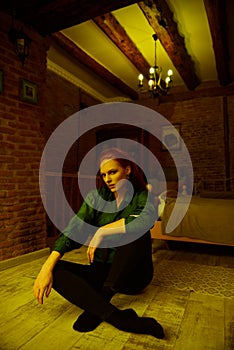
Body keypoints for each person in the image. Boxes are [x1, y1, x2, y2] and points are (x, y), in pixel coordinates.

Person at [33, 147, 164, 339]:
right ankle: (116, 316)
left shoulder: (141, 196)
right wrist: (46, 266)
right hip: (103, 270)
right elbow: (74, 229)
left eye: (113, 172)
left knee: (137, 232)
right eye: (104, 174)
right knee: (56, 271)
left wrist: (102, 231)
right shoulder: (97, 197)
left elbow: (145, 220)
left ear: (127, 170)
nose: (107, 179)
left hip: (133, 276)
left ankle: (103, 297)